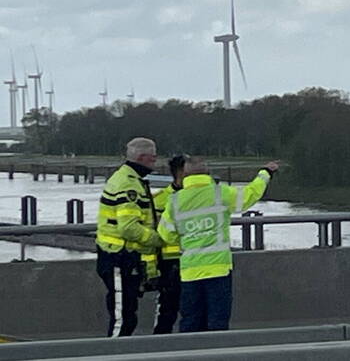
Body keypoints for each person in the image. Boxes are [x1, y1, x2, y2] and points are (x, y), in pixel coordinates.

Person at [156, 157, 279, 332]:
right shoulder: (221, 193)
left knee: (190, 320)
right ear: (208, 174)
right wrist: (265, 173)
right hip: (218, 270)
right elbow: (250, 194)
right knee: (217, 321)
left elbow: (165, 234)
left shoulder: (175, 201)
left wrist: (187, 239)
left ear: (185, 176)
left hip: (190, 271)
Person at [95, 137, 164, 337]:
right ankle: (113, 356)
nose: (156, 161)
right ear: (142, 158)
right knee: (123, 318)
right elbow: (129, 228)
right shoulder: (129, 185)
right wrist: (159, 239)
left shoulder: (129, 178)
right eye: (153, 157)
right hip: (119, 258)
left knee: (127, 315)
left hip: (119, 257)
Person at [151, 154, 187, 334]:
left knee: (192, 312)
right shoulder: (160, 199)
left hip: (194, 262)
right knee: (167, 310)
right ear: (178, 173)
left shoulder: (201, 197)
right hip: (169, 263)